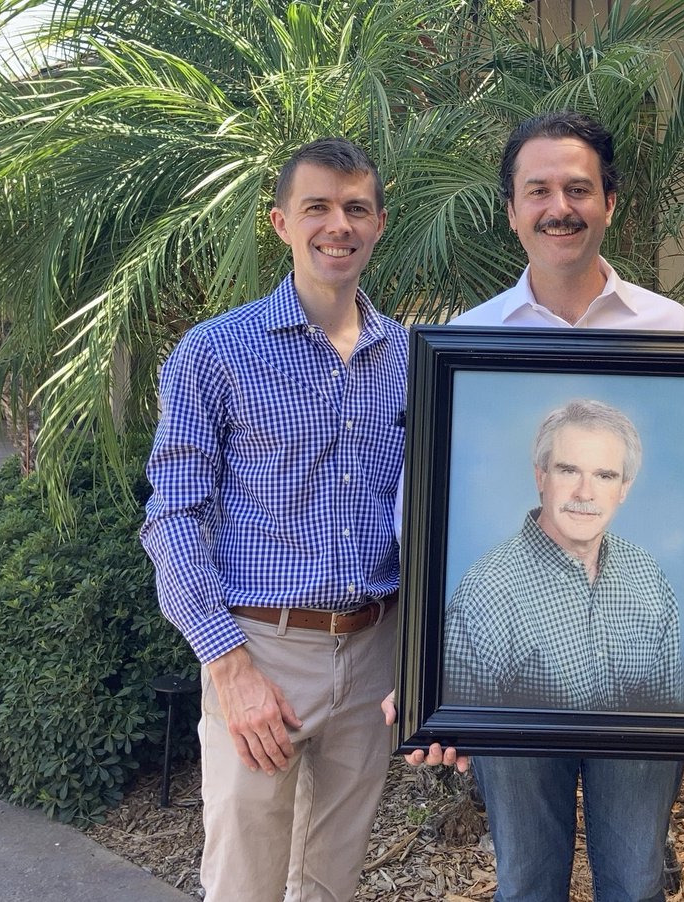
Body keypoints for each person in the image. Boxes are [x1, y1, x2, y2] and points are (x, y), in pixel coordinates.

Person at [385, 110, 684, 902]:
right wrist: (422, 680)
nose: (559, 206)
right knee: (527, 883)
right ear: (512, 209)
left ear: (609, 203)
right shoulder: (468, 341)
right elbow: (415, 515)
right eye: (539, 190)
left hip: (640, 729)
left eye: (577, 188)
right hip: (511, 726)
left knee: (636, 882)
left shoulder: (672, 331)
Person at [141, 137, 405, 902]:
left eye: (356, 208)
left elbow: (431, 508)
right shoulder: (214, 353)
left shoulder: (414, 358)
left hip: (372, 652)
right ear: (281, 222)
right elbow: (173, 513)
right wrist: (226, 664)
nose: (338, 225)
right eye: (317, 206)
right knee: (245, 881)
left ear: (379, 223)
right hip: (261, 650)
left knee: (331, 881)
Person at [443, 398, 683, 712]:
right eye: (568, 471)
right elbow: (461, 727)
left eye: (604, 476)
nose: (584, 493)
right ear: (541, 477)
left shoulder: (647, 574)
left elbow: (667, 719)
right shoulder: (486, 593)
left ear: (624, 488)